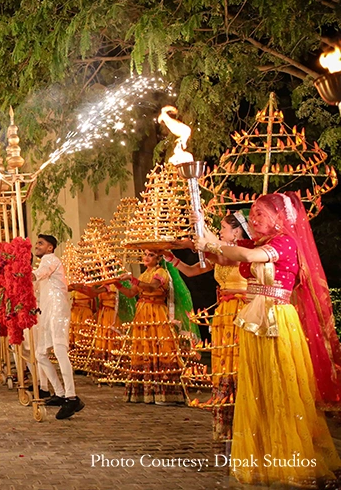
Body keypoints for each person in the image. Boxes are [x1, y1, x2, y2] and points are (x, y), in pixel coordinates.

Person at [195, 193, 341, 486]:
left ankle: (294, 461)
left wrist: (211, 244)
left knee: (281, 386)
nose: (254, 219)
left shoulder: (284, 242)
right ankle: (266, 459)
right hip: (254, 320)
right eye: (252, 213)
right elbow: (226, 254)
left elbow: (246, 257)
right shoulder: (260, 243)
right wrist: (201, 224)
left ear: (279, 218)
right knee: (259, 387)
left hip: (276, 321)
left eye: (261, 213)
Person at [165, 210, 251, 441]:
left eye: (223, 228)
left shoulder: (244, 251)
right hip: (223, 313)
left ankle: (246, 422)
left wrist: (201, 230)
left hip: (242, 311)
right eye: (220, 228)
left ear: (237, 232)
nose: (221, 232)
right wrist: (173, 259)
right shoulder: (222, 254)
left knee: (239, 362)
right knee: (223, 363)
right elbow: (193, 271)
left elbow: (218, 253)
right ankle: (228, 421)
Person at [116, 249, 196, 404]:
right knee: (143, 348)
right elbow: (132, 293)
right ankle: (144, 391)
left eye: (150, 255)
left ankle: (165, 392)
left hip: (157, 313)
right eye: (145, 254)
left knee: (161, 348)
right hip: (142, 313)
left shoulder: (161, 273)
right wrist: (116, 284)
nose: (146, 257)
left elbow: (152, 287)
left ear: (159, 258)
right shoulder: (144, 274)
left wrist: (132, 278)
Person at [30, 235, 83, 420]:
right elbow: (35, 285)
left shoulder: (50, 259)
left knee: (60, 352)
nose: (37, 246)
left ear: (50, 248)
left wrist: (22, 272)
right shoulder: (45, 263)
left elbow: (40, 273)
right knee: (40, 354)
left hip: (57, 311)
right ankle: (60, 393)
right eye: (37, 243)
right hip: (47, 312)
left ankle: (71, 397)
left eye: (41, 243)